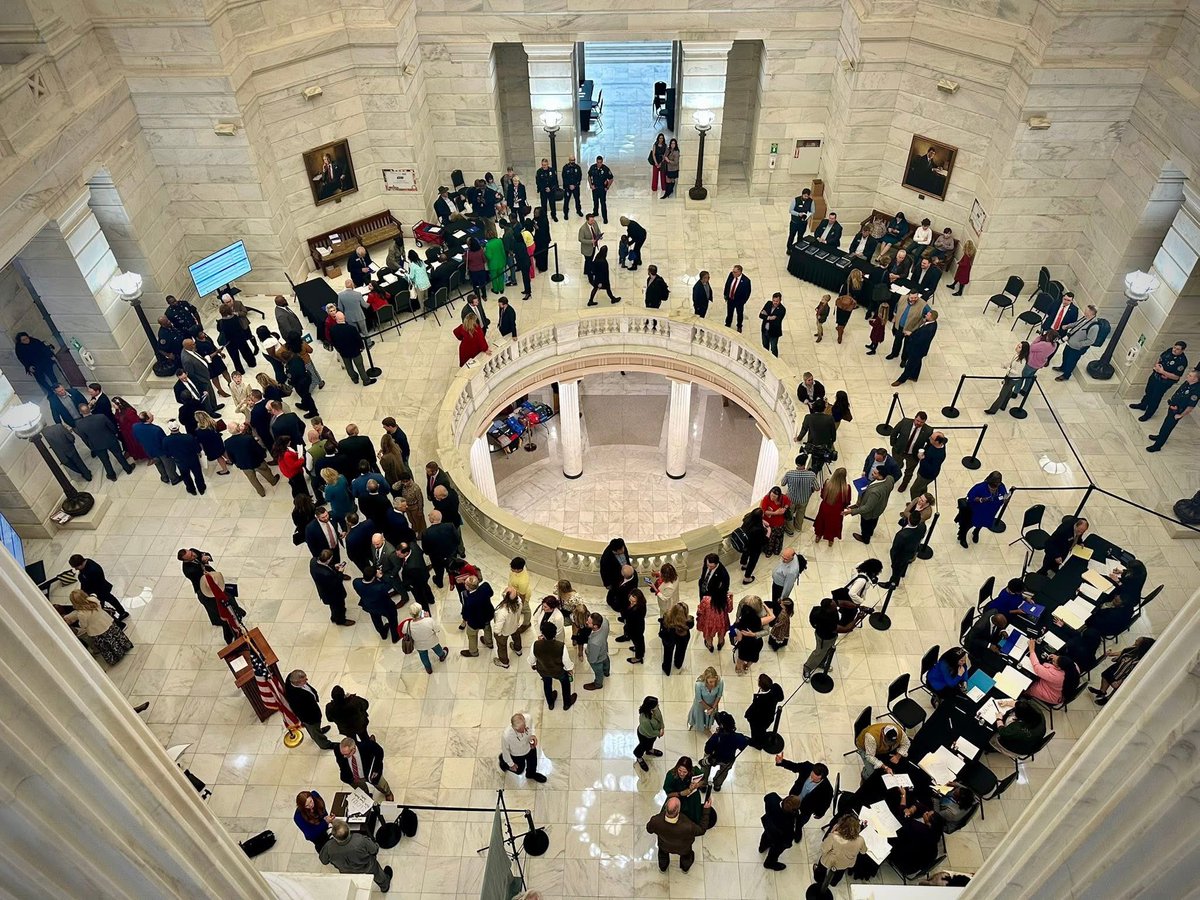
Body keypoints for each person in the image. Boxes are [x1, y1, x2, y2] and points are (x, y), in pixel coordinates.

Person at [319, 819, 392, 893]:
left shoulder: (328, 847)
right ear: (348, 829)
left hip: (347, 872)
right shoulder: (360, 839)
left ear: (334, 836)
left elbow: (324, 861)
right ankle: (384, 886)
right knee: (378, 874)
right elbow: (374, 850)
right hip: (367, 867)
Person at [63, 590, 133, 664]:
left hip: (97, 631)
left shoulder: (81, 614)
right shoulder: (93, 600)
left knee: (106, 645)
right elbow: (94, 595)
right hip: (106, 621)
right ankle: (125, 646)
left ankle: (115, 657)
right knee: (116, 636)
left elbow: (83, 626)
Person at [804, 593, 864, 678]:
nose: (837, 606)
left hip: (831, 636)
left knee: (828, 651)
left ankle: (821, 663)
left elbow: (843, 603)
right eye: (834, 606)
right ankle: (807, 667)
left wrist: (857, 606)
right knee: (819, 652)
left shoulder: (829, 605)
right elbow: (845, 629)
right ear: (828, 610)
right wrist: (858, 618)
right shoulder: (826, 620)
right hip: (824, 638)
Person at [73, 403, 134, 481]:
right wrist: (114, 434)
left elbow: (84, 438)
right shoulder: (101, 416)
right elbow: (112, 427)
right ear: (89, 409)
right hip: (110, 440)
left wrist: (91, 446)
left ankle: (112, 475)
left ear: (80, 412)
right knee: (119, 455)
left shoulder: (79, 425)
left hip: (97, 445)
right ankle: (128, 469)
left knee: (105, 461)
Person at [646, 796, 707, 873]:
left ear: (665, 806)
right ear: (678, 810)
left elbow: (649, 830)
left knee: (663, 856)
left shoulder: (655, 820)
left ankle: (663, 868)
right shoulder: (688, 826)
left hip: (664, 845)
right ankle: (685, 869)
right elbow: (701, 830)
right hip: (683, 848)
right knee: (687, 857)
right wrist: (706, 810)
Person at [1131, 340, 1189, 420]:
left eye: (1177, 349)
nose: (1174, 350)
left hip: (1164, 382)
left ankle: (1148, 414)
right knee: (1148, 391)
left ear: (1182, 350)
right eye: (1174, 347)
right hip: (1155, 376)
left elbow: (1176, 377)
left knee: (1155, 398)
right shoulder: (1169, 351)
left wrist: (1162, 372)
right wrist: (1156, 365)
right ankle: (1143, 405)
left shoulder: (1182, 361)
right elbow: (1160, 357)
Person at [773, 757, 833, 835]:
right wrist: (782, 762)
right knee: (786, 813)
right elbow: (794, 766)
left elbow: (826, 803)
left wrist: (820, 813)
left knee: (800, 822)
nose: (811, 778)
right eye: (811, 775)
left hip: (806, 809)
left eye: (814, 778)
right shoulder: (807, 767)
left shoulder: (827, 789)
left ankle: (797, 830)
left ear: (821, 778)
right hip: (793, 799)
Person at [1090, 636, 1155, 705]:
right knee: (1105, 675)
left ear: (1142, 645)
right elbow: (1124, 651)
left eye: (1138, 641)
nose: (1136, 640)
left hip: (1124, 673)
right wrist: (1112, 654)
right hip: (1119, 666)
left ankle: (1108, 699)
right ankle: (1102, 691)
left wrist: (1121, 680)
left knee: (1117, 687)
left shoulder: (1140, 661)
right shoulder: (1134, 648)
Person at [284, 671, 339, 750]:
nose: (307, 680)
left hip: (312, 710)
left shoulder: (291, 677)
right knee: (313, 729)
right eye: (304, 680)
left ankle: (318, 731)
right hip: (310, 718)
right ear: (297, 683)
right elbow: (301, 712)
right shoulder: (295, 697)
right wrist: (311, 720)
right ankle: (325, 744)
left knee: (315, 729)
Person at [1147, 368, 1200, 451]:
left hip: (1178, 411)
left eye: (1190, 376)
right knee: (1165, 424)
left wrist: (1180, 415)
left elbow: (1190, 407)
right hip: (1172, 407)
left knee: (1167, 428)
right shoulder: (1187, 383)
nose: (1187, 376)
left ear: (1195, 379)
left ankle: (1157, 446)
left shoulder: (1196, 391)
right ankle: (1160, 436)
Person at [531, 620, 576, 710]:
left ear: (543, 634)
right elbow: (566, 662)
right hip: (558, 672)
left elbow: (532, 660)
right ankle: (566, 703)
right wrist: (570, 669)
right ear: (555, 634)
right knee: (565, 684)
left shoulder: (535, 644)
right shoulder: (561, 646)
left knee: (547, 684)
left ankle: (550, 703)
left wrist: (534, 665)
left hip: (543, 670)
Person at [957, 471, 1009, 547]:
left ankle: (976, 532)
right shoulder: (979, 488)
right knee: (968, 525)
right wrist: (980, 499)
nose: (998, 484)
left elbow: (1004, 495)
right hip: (975, 512)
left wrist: (1005, 499)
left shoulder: (1001, 487)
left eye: (999, 482)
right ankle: (962, 537)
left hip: (989, 513)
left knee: (982, 523)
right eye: (996, 483)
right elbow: (970, 498)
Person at [880, 510, 928, 589]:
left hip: (900, 556)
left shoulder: (901, 535)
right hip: (911, 551)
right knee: (905, 564)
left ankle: (892, 584)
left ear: (909, 519)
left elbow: (895, 549)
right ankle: (902, 573)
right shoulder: (922, 527)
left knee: (896, 570)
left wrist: (893, 560)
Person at [847, 466, 894, 545]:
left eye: (875, 473)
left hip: (869, 513)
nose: (872, 473)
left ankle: (865, 538)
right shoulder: (890, 478)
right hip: (879, 508)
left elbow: (867, 508)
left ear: (880, 476)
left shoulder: (875, 492)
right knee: (873, 522)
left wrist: (852, 511)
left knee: (865, 525)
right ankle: (870, 532)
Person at [702, 711, 748, 791]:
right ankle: (717, 785)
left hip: (714, 758)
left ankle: (703, 783)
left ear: (721, 726)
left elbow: (707, 749)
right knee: (723, 772)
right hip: (728, 760)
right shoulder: (738, 737)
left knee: (705, 765)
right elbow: (743, 745)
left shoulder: (716, 737)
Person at [1054, 304, 1102, 381]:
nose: (1085, 311)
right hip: (1070, 343)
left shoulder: (1094, 327)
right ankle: (1063, 367)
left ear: (1091, 313)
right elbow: (1076, 324)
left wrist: (1079, 344)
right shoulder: (1085, 318)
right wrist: (1067, 326)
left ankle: (1066, 375)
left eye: (1086, 310)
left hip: (1077, 348)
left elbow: (1091, 341)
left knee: (1071, 361)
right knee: (1065, 355)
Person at [892, 309, 938, 385]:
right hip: (921, 349)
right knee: (917, 362)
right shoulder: (932, 323)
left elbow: (919, 339)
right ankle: (914, 376)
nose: (926, 315)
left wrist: (910, 334)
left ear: (931, 318)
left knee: (910, 365)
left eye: (928, 315)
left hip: (918, 349)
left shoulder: (929, 329)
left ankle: (901, 380)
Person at [889, 411, 932, 492]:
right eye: (917, 421)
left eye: (921, 422)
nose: (919, 423)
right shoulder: (905, 422)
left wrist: (923, 452)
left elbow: (929, 444)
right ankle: (893, 476)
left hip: (913, 455)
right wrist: (893, 444)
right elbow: (894, 432)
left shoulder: (928, 430)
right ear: (914, 418)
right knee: (896, 465)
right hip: (899, 450)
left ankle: (904, 483)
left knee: (909, 471)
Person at [498, 711, 547, 782]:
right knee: (519, 771)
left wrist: (533, 735)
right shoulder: (506, 736)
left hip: (529, 747)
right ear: (513, 727)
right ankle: (503, 762)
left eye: (524, 727)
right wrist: (511, 764)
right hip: (517, 754)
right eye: (520, 730)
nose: (523, 731)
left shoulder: (528, 718)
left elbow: (531, 726)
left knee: (533, 763)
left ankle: (531, 774)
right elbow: (505, 750)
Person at [758, 792, 801, 871]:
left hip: (768, 826)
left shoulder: (773, 798)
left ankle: (762, 847)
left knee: (766, 836)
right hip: (778, 838)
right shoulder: (789, 821)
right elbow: (788, 839)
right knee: (775, 851)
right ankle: (769, 863)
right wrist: (787, 845)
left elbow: (766, 798)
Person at [1027, 638, 1077, 705]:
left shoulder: (1057, 676)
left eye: (1054, 661)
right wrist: (1056, 658)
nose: (1053, 659)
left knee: (1028, 686)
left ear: (1059, 668)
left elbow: (1037, 668)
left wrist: (1032, 650)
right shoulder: (1073, 667)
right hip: (1058, 688)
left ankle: (1025, 695)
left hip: (1052, 695)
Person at [696, 556, 732, 652]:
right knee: (721, 631)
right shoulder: (726, 599)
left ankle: (709, 644)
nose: (708, 568)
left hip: (710, 618)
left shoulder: (723, 574)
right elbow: (730, 609)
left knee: (708, 633)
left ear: (717, 564)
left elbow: (700, 611)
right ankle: (721, 642)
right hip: (721, 618)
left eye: (711, 566)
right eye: (707, 565)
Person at [732, 595, 771, 674]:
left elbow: (767, 631)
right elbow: (739, 609)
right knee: (745, 657)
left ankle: (745, 666)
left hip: (753, 641)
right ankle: (742, 666)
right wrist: (737, 619)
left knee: (750, 657)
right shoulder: (744, 603)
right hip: (748, 641)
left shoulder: (762, 616)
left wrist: (754, 634)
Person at [813, 466, 851, 546]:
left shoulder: (827, 483)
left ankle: (818, 536)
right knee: (833, 525)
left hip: (825, 508)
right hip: (837, 511)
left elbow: (822, 495)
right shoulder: (846, 488)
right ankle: (830, 540)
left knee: (821, 522)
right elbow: (847, 502)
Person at [744, 673, 784, 749]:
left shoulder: (760, 699)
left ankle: (756, 744)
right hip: (769, 717)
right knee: (761, 732)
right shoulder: (775, 687)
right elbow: (781, 698)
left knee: (756, 733)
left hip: (759, 721)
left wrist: (748, 716)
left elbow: (754, 710)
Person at [663, 757, 707, 825]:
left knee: (694, 813)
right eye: (679, 770)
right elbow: (668, 794)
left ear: (689, 770)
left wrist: (697, 785)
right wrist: (681, 793)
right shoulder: (670, 775)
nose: (681, 774)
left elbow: (703, 780)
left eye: (685, 772)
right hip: (676, 797)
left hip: (692, 797)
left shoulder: (694, 771)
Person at [782, 455, 819, 534]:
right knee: (801, 513)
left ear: (796, 463)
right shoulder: (811, 475)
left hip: (791, 499)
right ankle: (798, 527)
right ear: (805, 463)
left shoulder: (789, 473)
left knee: (790, 514)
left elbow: (782, 483)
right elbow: (817, 488)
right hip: (804, 499)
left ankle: (790, 530)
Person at [1016, 328, 1059, 397]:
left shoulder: (1044, 344)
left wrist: (1039, 337)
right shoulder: (1054, 345)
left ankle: (1015, 392)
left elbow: (1032, 347)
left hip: (1031, 363)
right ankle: (1024, 390)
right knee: (1030, 377)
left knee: (1022, 377)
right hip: (1039, 364)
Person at [908, 431, 946, 499]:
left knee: (914, 490)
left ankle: (915, 503)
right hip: (922, 472)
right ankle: (923, 496)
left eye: (931, 438)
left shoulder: (938, 455)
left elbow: (931, 469)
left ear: (937, 442)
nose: (929, 438)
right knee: (922, 487)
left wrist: (922, 459)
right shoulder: (939, 443)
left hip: (926, 476)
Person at [658, 601, 693, 676]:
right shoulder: (689, 620)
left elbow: (664, 625)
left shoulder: (666, 616)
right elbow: (691, 626)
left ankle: (667, 669)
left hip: (669, 637)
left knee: (668, 653)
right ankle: (678, 664)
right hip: (683, 637)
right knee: (681, 651)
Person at [737, 508, 769, 585]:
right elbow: (764, 540)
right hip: (755, 547)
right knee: (752, 561)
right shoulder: (758, 529)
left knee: (745, 553)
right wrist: (769, 531)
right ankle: (747, 578)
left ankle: (744, 564)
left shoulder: (747, 518)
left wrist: (762, 521)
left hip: (746, 543)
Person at [633, 695, 665, 770]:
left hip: (653, 735)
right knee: (642, 746)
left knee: (651, 742)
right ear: (650, 706)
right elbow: (650, 732)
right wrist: (659, 733)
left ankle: (649, 750)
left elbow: (660, 717)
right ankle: (639, 757)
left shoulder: (655, 708)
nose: (658, 706)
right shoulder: (644, 720)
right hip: (645, 735)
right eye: (656, 705)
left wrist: (662, 727)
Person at [687, 667, 724, 732]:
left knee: (710, 716)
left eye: (714, 681)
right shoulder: (698, 684)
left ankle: (707, 725)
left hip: (713, 704)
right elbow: (699, 699)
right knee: (697, 714)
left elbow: (719, 695)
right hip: (700, 705)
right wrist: (709, 708)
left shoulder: (720, 682)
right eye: (711, 682)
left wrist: (713, 708)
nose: (713, 684)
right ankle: (691, 723)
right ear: (706, 679)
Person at [622, 588, 648, 664]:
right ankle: (638, 649)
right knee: (639, 641)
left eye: (633, 601)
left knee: (638, 642)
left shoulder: (638, 609)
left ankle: (638, 657)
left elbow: (630, 617)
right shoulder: (640, 604)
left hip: (635, 629)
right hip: (636, 626)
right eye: (630, 600)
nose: (631, 603)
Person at [723, 264, 752, 332]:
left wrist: (743, 302)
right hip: (730, 299)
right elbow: (727, 285)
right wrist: (726, 295)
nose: (733, 273)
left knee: (739, 314)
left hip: (739, 302)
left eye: (735, 272)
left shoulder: (746, 281)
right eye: (733, 271)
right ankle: (728, 323)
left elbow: (747, 293)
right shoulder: (731, 275)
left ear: (740, 272)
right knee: (729, 313)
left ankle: (739, 326)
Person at [588, 155, 613, 222]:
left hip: (602, 189)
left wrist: (607, 187)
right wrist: (590, 185)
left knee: (603, 203)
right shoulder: (592, 167)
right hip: (595, 188)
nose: (599, 164)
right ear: (596, 161)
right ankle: (595, 212)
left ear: (602, 162)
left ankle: (605, 218)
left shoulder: (605, 169)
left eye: (600, 162)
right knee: (595, 202)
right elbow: (589, 176)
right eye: (598, 162)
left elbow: (611, 179)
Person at [561, 154, 583, 219]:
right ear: (569, 160)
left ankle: (578, 211)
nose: (572, 161)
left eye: (573, 160)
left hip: (576, 187)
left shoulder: (577, 168)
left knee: (577, 200)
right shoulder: (565, 168)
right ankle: (566, 213)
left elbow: (579, 177)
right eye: (571, 160)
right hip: (567, 187)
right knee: (566, 201)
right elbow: (564, 178)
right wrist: (569, 185)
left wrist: (575, 185)